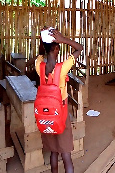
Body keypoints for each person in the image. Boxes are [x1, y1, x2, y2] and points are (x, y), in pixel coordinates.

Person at [35, 28, 83, 173]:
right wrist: (64, 39)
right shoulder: (62, 69)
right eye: (58, 47)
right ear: (57, 48)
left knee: (53, 152)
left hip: (46, 116)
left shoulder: (39, 66)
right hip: (60, 115)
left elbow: (40, 54)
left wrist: (43, 41)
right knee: (66, 155)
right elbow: (80, 48)